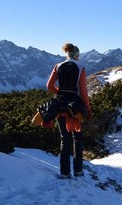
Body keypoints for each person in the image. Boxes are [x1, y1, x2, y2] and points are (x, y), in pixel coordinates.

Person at [46, 43, 92, 179]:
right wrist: (87, 107)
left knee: (64, 139)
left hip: (60, 105)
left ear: (66, 54)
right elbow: (84, 92)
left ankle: (65, 173)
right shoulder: (80, 67)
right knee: (77, 138)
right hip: (76, 106)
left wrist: (59, 92)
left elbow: (49, 86)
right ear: (77, 55)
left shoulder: (58, 66)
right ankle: (78, 170)